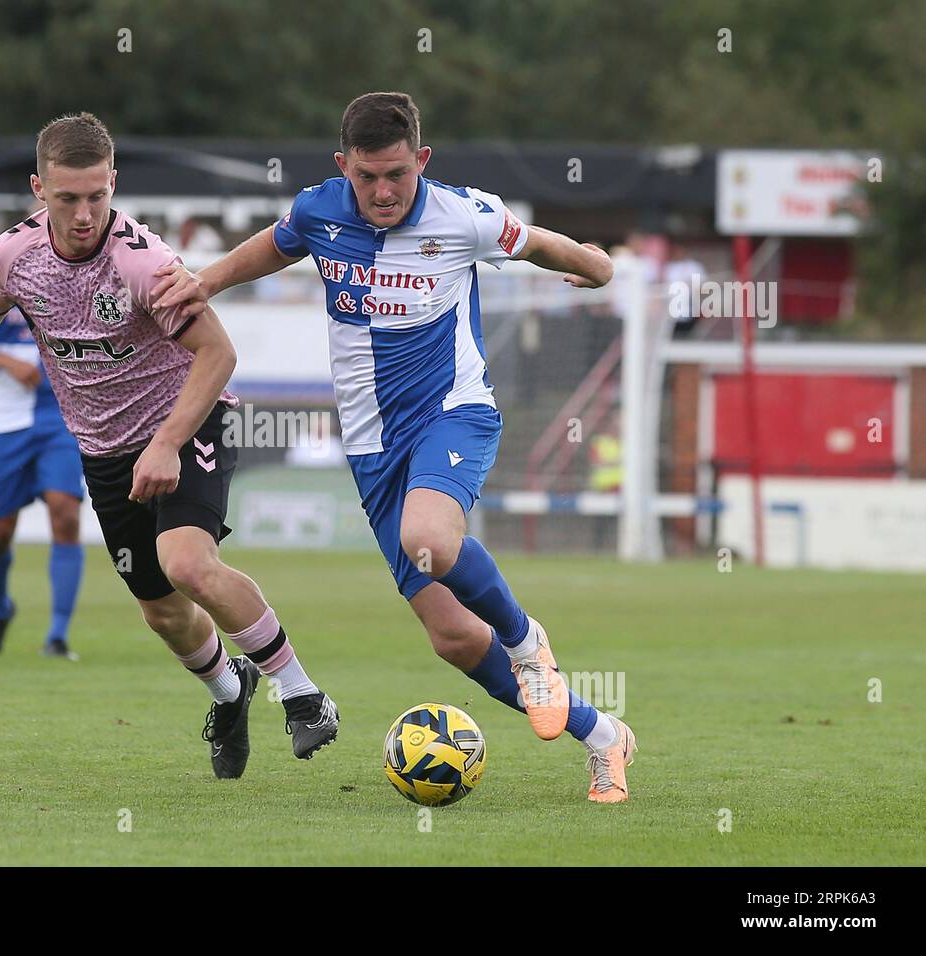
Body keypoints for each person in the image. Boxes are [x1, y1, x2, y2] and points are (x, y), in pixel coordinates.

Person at [152, 92, 638, 803]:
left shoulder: (464, 215)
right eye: (367, 176)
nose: (382, 192)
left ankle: (529, 644)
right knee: (452, 639)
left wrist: (596, 266)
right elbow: (275, 244)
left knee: (430, 541)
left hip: (452, 414)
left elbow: (540, 244)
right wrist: (204, 281)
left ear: (423, 162)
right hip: (372, 448)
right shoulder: (320, 210)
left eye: (398, 175)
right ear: (343, 166)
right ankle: (603, 737)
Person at [0, 112, 338, 780]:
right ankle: (230, 695)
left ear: (113, 182)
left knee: (186, 563)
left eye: (98, 195)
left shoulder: (144, 262)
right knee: (164, 615)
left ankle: (303, 695)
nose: (86, 212)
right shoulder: (13, 257)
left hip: (189, 422)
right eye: (69, 198)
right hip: (105, 451)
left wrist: (168, 443)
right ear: (40, 188)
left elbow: (218, 353)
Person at [0, 306, 85, 659]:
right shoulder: (0, 281)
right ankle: (1, 607)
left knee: (66, 515)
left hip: (62, 422)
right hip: (5, 426)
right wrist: (9, 363)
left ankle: (58, 635)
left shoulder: (76, 280)